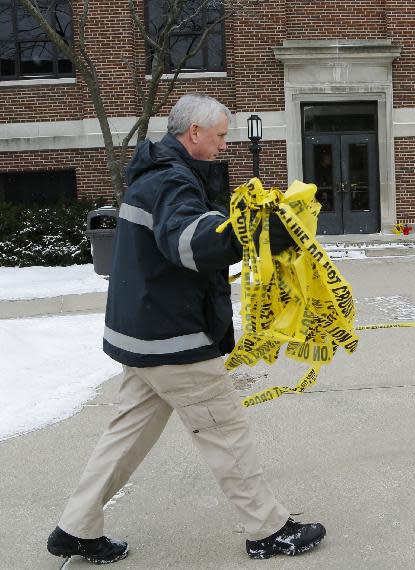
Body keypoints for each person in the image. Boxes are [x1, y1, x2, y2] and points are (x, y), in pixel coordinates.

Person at [46, 93, 324, 564]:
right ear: (193, 133)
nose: (222, 147)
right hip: (174, 339)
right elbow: (189, 244)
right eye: (218, 137)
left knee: (125, 435)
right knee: (225, 432)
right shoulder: (173, 181)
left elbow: (186, 232)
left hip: (143, 333)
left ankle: (76, 527)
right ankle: (267, 529)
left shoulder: (154, 175)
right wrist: (259, 234)